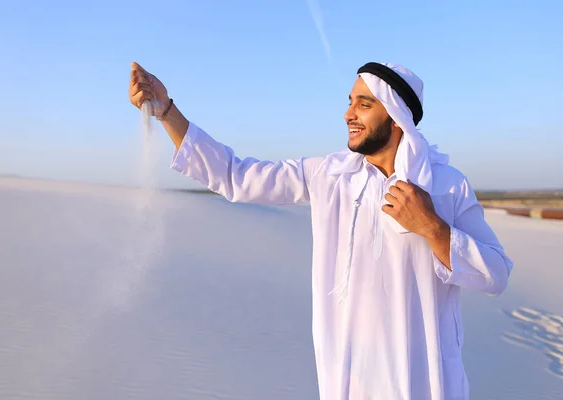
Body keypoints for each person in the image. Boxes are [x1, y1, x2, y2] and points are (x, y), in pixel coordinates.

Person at [128, 61, 514, 400]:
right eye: (349, 102)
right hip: (347, 380)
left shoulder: (446, 185)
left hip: (421, 383)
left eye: (364, 104)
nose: (349, 114)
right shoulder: (329, 175)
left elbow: (496, 274)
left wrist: (432, 227)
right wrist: (167, 112)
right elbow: (236, 175)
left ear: (397, 117)